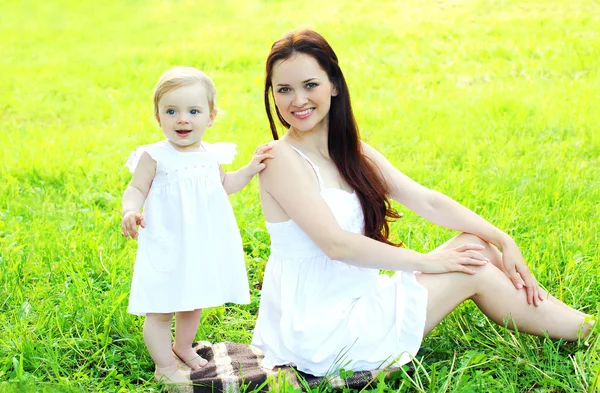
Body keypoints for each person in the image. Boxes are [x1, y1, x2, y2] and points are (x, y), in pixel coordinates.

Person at [251, 29, 595, 377]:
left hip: (357, 301)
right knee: (469, 268)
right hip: (320, 330)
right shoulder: (279, 159)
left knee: (475, 244)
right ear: (273, 95)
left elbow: (427, 201)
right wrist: (429, 262)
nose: (298, 100)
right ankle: (588, 332)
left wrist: (503, 239)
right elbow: (336, 245)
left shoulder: (350, 152)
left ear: (334, 85)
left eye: (310, 85)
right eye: (284, 89)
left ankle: (577, 322)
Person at [121, 66, 272, 383]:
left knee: (193, 300)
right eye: (171, 111)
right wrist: (130, 211)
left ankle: (183, 346)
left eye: (193, 111)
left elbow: (225, 185)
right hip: (166, 242)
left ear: (211, 116)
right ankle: (164, 367)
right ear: (158, 117)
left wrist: (251, 168)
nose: (182, 119)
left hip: (199, 243)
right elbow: (136, 189)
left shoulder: (210, 155)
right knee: (161, 307)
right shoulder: (155, 156)